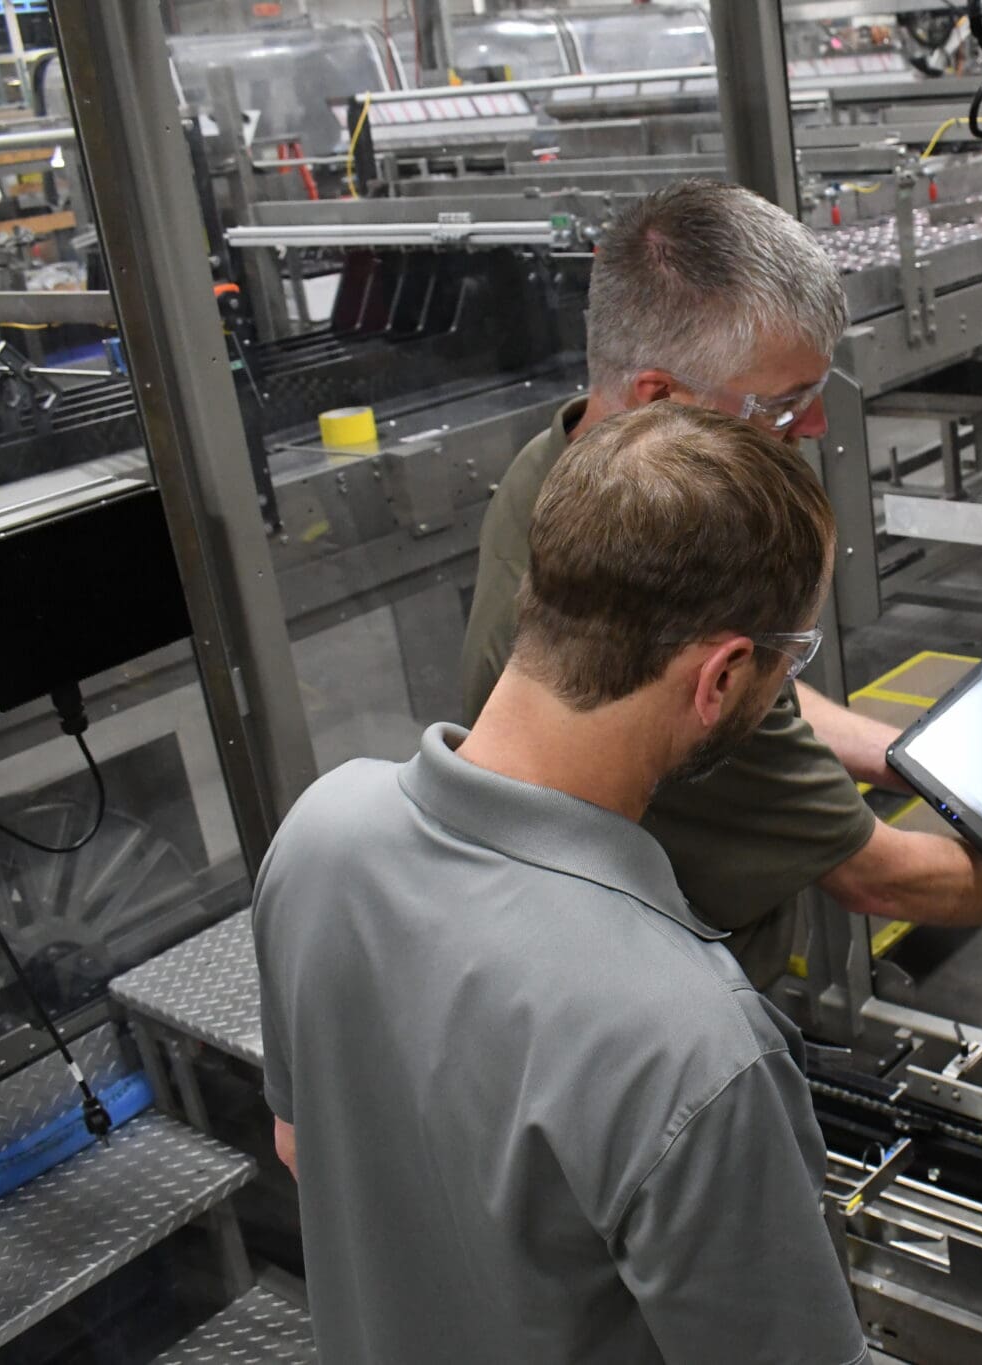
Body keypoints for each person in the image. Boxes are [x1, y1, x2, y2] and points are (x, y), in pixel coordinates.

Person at [462, 179, 982, 987]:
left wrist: (906, 757)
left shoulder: (560, 467)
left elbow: (763, 700)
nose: (812, 428)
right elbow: (874, 873)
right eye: (782, 404)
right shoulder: (669, 614)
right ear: (660, 399)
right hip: (669, 990)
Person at [257, 404, 870, 1365]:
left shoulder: (321, 834)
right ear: (720, 676)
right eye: (793, 660)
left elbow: (305, 1152)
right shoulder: (693, 1044)